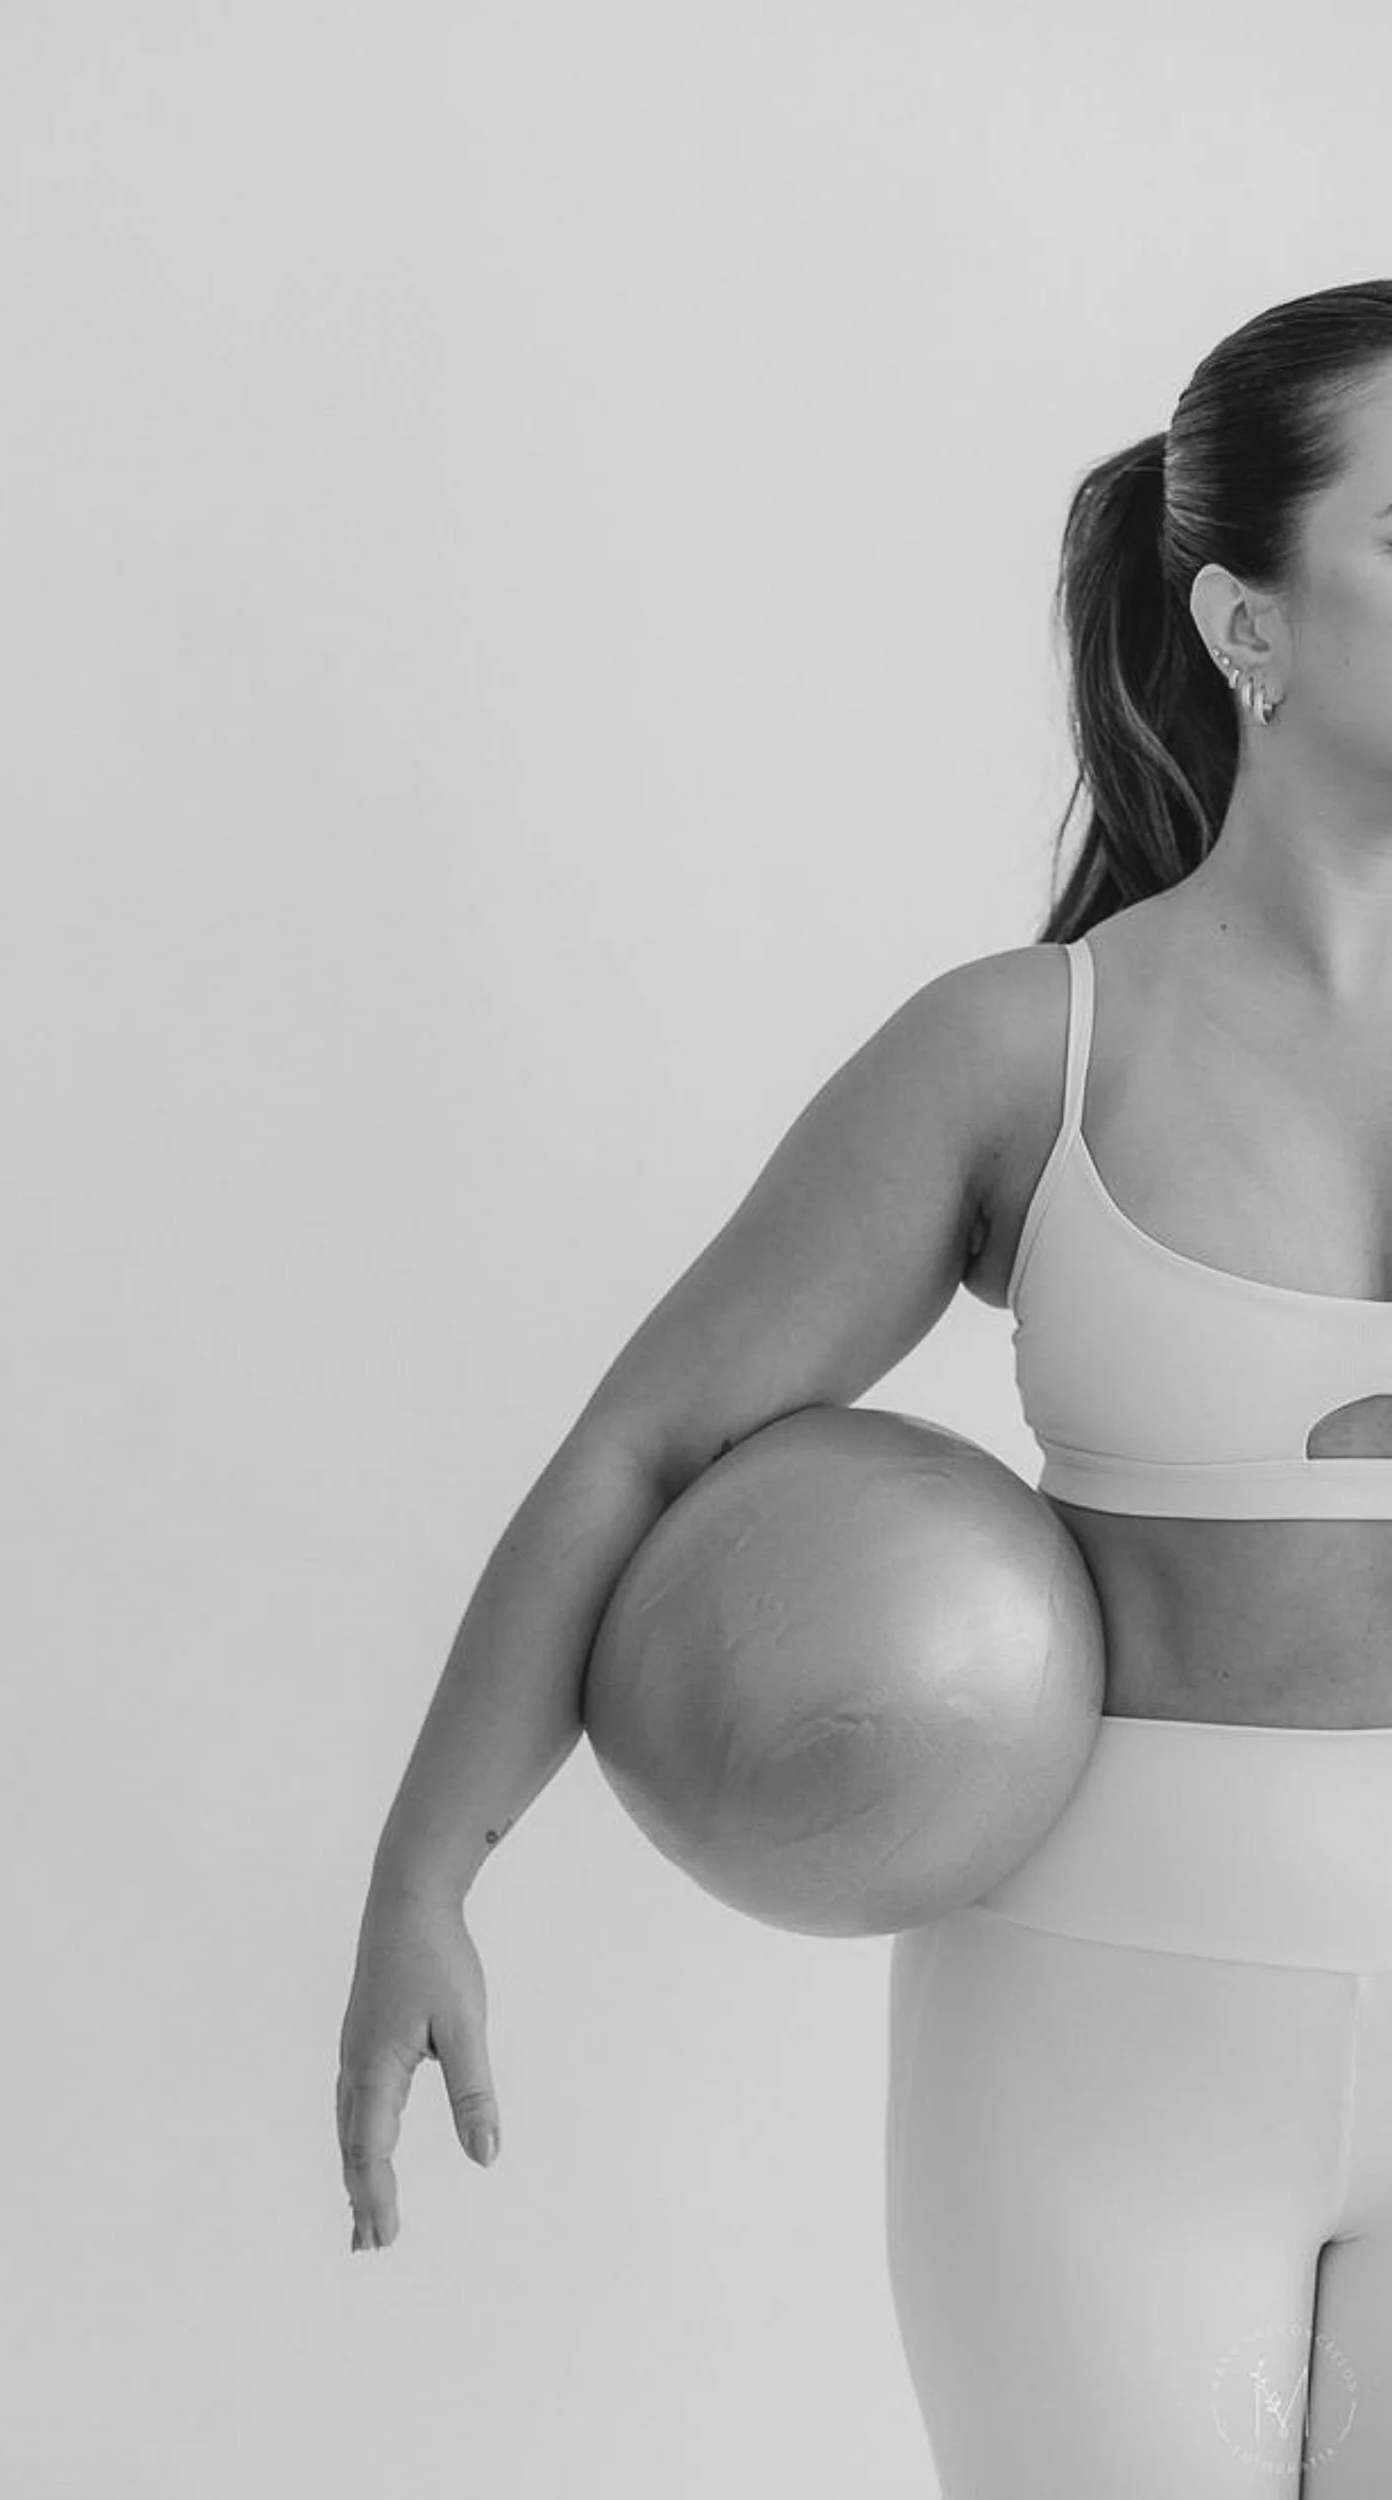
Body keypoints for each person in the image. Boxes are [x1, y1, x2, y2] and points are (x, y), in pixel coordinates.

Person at [336, 276, 1392, 2494]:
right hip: (1105, 2053)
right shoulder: (1023, 1050)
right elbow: (649, 1438)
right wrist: (425, 1868)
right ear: (1244, 624)